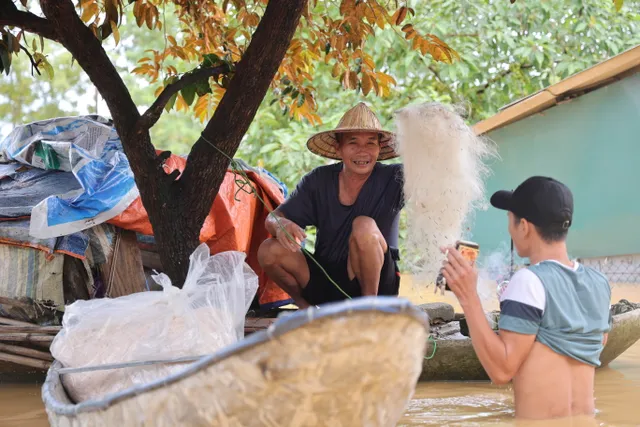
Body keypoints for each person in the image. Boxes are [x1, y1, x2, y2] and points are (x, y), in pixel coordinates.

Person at [441, 176, 612, 420]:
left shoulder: (529, 281)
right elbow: (597, 343)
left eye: (510, 219)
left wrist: (468, 296)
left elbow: (501, 371)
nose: (509, 228)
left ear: (524, 226)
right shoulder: (599, 283)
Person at [257, 103, 404, 308]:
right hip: (327, 284)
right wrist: (281, 225)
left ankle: (370, 311)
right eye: (353, 142)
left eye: (371, 143)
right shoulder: (318, 180)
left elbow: (433, 180)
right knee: (268, 250)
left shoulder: (396, 177)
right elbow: (273, 218)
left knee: (363, 225)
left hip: (380, 288)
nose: (363, 151)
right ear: (338, 148)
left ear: (379, 148)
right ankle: (306, 309)